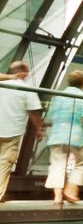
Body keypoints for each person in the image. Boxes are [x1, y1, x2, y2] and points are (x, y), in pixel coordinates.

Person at [42, 70, 83, 208]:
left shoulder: (59, 96)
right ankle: (71, 189)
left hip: (57, 135)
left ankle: (58, 196)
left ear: (69, 81)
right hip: (76, 136)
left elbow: (52, 115)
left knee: (57, 165)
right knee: (81, 163)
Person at [0, 60, 43, 202]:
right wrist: (39, 129)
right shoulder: (27, 89)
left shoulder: (2, 83)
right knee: (5, 163)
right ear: (22, 72)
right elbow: (34, 113)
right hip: (12, 132)